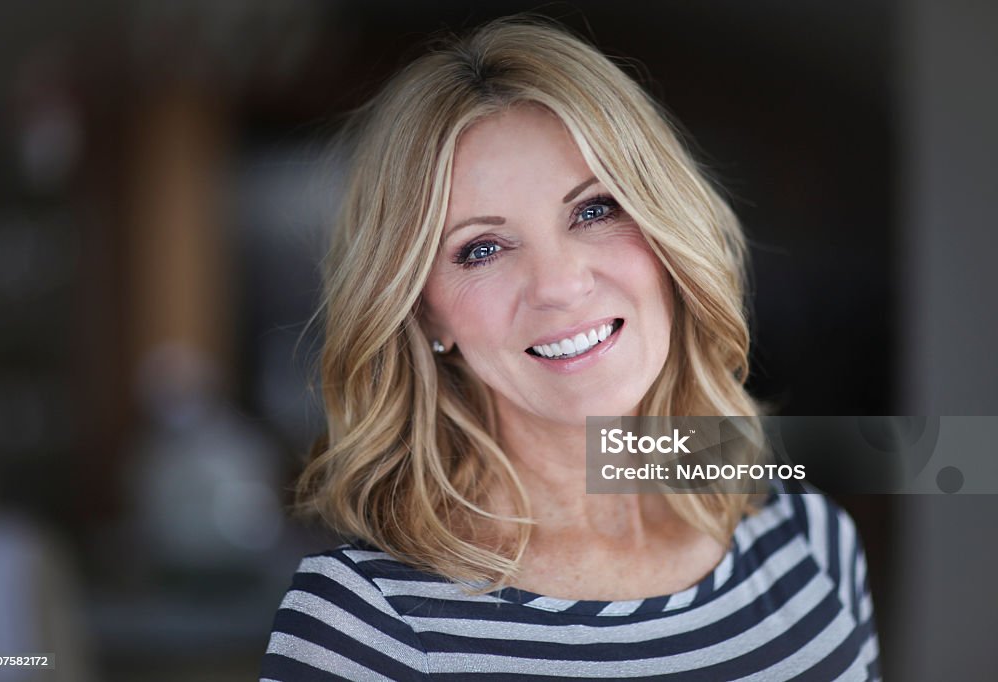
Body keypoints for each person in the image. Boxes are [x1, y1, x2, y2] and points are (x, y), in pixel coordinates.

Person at [261, 17, 880, 681]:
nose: (559, 285)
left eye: (594, 210)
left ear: (668, 235)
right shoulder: (365, 623)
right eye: (483, 249)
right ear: (423, 314)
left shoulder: (812, 543)